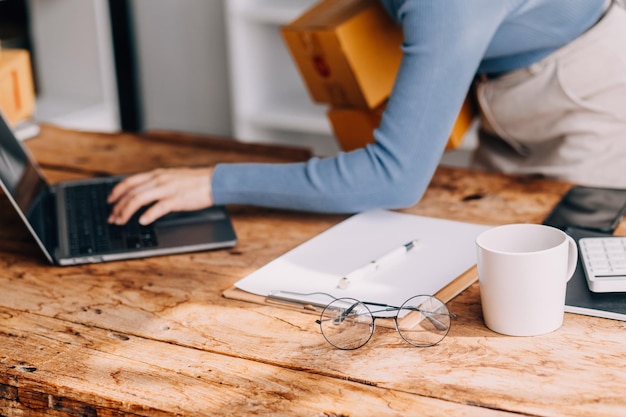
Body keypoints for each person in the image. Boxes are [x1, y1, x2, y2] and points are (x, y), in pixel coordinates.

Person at [108, 0, 626, 226]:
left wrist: (214, 185)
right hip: (503, 91)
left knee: (563, 282)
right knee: (480, 248)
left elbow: (394, 180)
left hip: (592, 98)